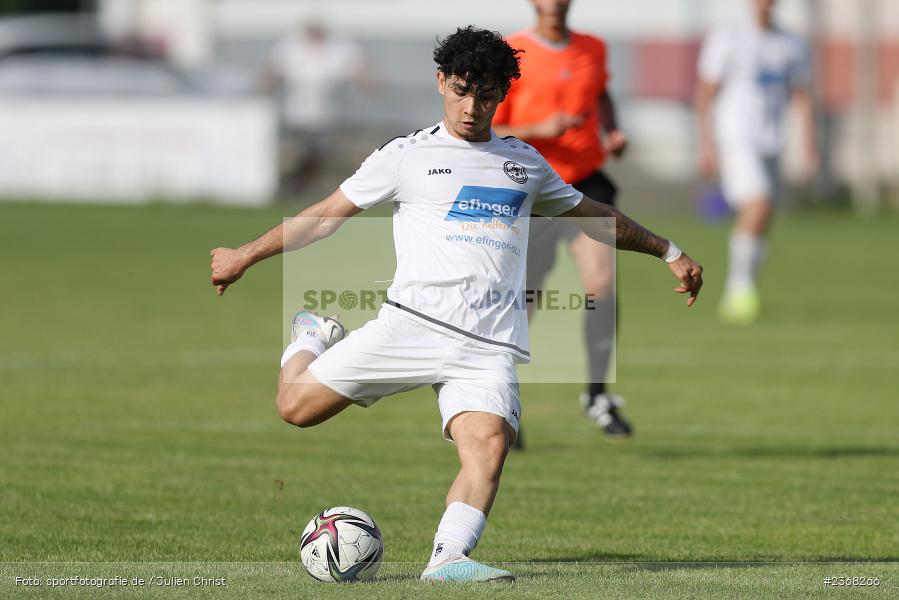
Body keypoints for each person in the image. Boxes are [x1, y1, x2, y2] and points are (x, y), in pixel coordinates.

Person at [211, 26, 703, 583]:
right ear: (442, 82)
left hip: (487, 346)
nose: (473, 106)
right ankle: (312, 337)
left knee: (490, 445)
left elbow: (596, 215)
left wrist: (669, 250)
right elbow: (325, 215)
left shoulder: (525, 164)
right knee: (294, 409)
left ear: (502, 94)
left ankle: (448, 558)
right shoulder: (406, 156)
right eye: (463, 89)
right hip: (411, 327)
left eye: (487, 94)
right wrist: (244, 255)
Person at [492, 0, 633, 443]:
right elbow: (492, 128)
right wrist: (543, 127)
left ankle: (596, 394)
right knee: (525, 300)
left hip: (587, 182)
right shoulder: (512, 51)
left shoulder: (593, 48)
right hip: (534, 185)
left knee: (601, 285)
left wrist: (612, 130)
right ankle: (503, 403)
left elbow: (601, 94)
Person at [696, 0, 817, 324]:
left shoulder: (791, 44)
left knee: (763, 215)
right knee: (759, 204)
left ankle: (742, 288)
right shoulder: (728, 39)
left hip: (772, 141)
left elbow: (801, 96)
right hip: (736, 139)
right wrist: (705, 144)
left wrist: (808, 143)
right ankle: (739, 290)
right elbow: (705, 93)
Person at [263, 21, 368, 193]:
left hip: (326, 117)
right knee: (300, 154)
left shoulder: (335, 52)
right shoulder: (292, 50)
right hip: (297, 116)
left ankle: (301, 186)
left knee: (318, 155)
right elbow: (273, 75)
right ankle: (295, 184)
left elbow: (357, 73)